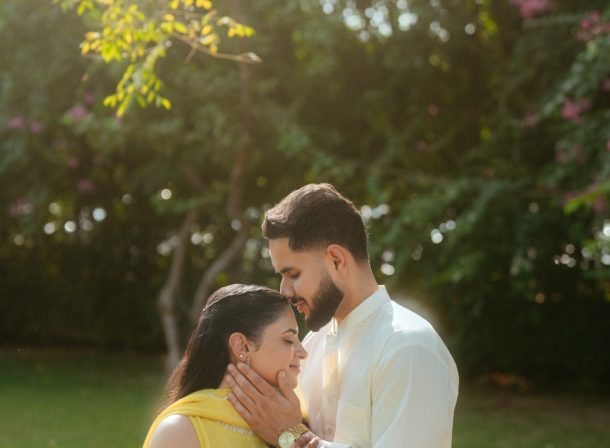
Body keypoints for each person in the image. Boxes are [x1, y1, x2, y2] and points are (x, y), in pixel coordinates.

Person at [225, 183, 459, 448]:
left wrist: (289, 436)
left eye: (293, 274)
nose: (284, 291)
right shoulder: (311, 346)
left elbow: (288, 433)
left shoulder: (408, 348)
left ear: (336, 260)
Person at [142, 284, 308, 448]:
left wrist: (291, 435)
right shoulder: (180, 431)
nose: (303, 352)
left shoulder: (295, 418)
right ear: (242, 346)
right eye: (288, 339)